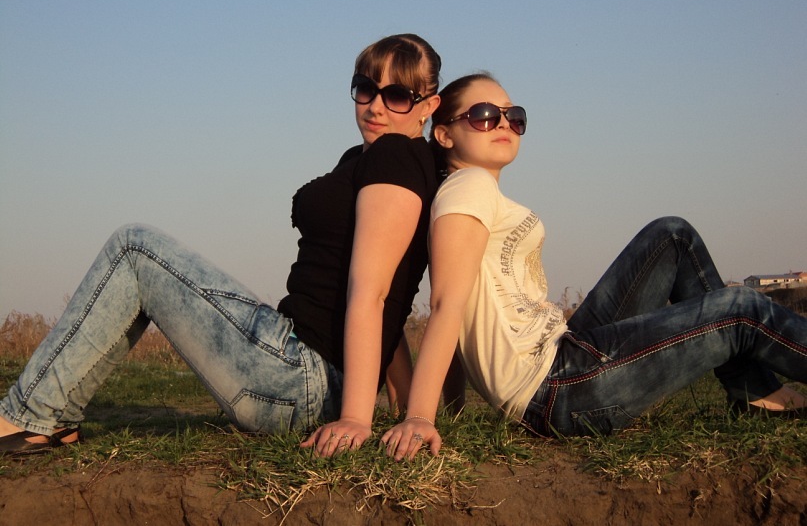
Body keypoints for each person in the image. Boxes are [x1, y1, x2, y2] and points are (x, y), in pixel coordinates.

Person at [0, 33, 442, 458]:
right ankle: (52, 415)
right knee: (136, 253)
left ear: (428, 106)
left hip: (300, 376)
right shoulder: (369, 158)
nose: (375, 106)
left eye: (397, 96)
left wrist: (356, 419)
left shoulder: (396, 157)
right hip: (301, 368)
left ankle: (30, 415)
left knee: (134, 249)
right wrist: (401, 406)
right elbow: (392, 295)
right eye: (365, 89)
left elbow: (373, 293)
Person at [380, 72, 807, 460]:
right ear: (444, 134)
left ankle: (754, 391)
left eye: (514, 116)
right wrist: (420, 416)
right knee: (742, 309)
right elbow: (447, 305)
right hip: (554, 388)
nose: (504, 124)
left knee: (672, 237)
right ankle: (756, 389)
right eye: (485, 115)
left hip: (563, 354)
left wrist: (452, 411)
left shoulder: (475, 192)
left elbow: (461, 320)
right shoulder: (467, 188)